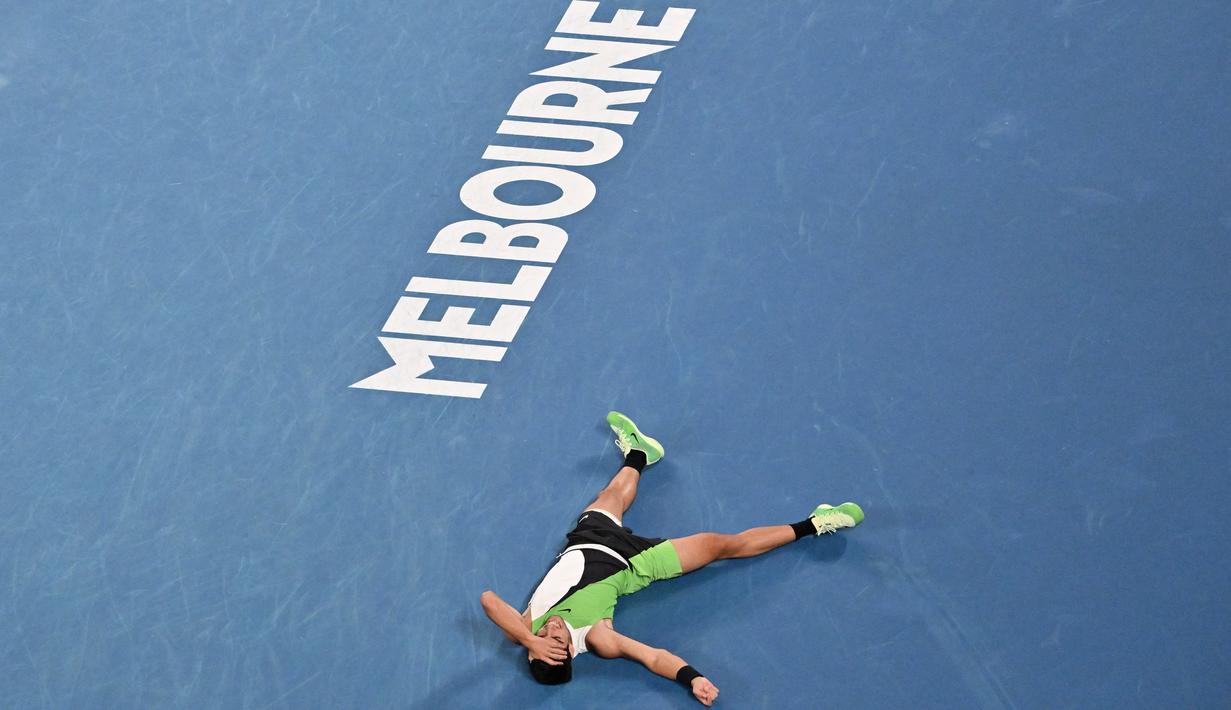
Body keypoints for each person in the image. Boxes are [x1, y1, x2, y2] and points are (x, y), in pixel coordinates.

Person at [480, 412, 864, 706]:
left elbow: (488, 600)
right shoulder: (596, 638)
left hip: (587, 540)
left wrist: (528, 638)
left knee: (611, 495)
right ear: (568, 653)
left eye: (544, 637)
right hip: (637, 562)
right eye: (555, 640)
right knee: (718, 544)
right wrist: (691, 678)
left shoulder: (529, 627)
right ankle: (815, 523)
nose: (552, 630)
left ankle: (640, 453)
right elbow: (652, 657)